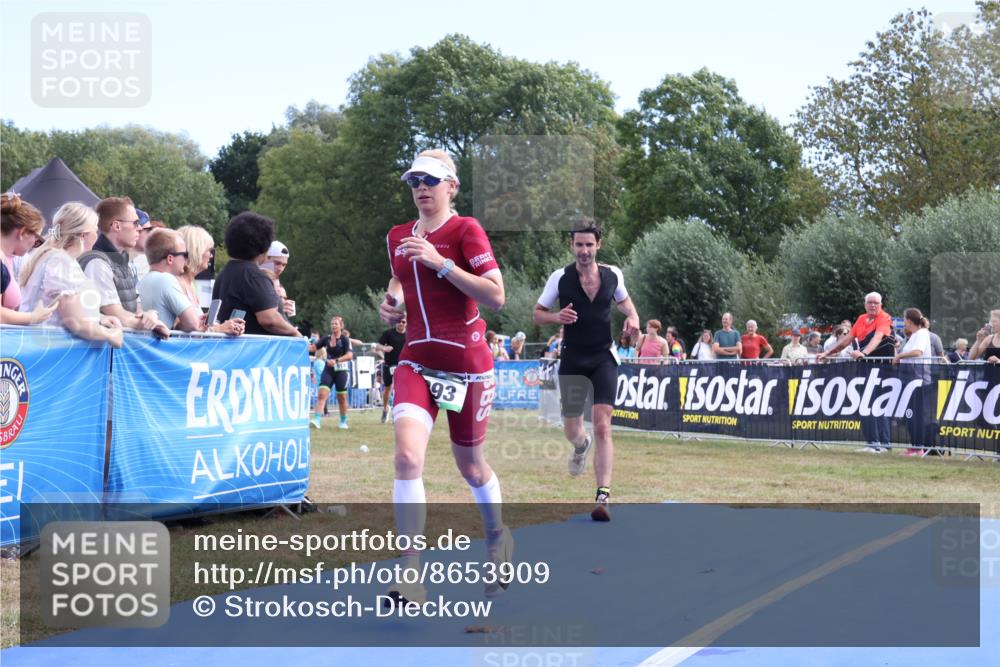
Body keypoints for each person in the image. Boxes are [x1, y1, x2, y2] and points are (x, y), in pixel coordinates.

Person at [378, 149, 511, 604]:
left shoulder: (465, 230)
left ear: (451, 186)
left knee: (471, 468)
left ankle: (497, 538)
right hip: (416, 358)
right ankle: (410, 571)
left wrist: (441, 262)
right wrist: (391, 301)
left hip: (467, 366)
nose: (421, 188)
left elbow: (496, 297)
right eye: (415, 180)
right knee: (406, 459)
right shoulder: (398, 235)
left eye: (431, 180)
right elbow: (399, 280)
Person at [534, 219, 640, 521]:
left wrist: (633, 319)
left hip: (604, 357)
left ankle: (602, 496)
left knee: (603, 424)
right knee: (572, 429)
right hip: (573, 359)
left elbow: (627, 306)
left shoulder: (613, 275)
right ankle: (581, 446)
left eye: (589, 245)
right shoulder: (559, 278)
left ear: (598, 246)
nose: (584, 250)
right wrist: (557, 317)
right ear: (572, 246)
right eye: (579, 245)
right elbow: (537, 314)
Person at [17, 202, 123, 347]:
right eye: (95, 230)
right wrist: (110, 334)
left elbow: (66, 312)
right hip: (48, 350)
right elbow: (75, 322)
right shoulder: (60, 261)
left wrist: (99, 318)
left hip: (43, 348)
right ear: (83, 235)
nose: (96, 236)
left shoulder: (54, 257)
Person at [79, 197, 169, 338]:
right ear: (116, 226)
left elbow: (134, 308)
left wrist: (148, 316)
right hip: (101, 352)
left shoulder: (120, 260)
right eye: (135, 223)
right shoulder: (97, 263)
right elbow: (113, 312)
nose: (139, 228)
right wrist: (149, 323)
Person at [818, 292, 897, 452]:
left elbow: (877, 337)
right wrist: (827, 353)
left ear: (881, 304)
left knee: (878, 404)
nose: (873, 305)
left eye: (876, 303)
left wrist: (864, 353)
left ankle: (883, 444)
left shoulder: (884, 318)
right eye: (870, 303)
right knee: (864, 403)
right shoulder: (861, 319)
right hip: (865, 367)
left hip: (881, 366)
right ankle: (872, 443)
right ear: (865, 304)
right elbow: (846, 341)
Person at [211, 212, 302, 338]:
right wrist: (295, 333)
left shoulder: (223, 274)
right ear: (263, 245)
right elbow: (269, 320)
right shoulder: (254, 276)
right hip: (258, 353)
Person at [138, 229, 243, 335]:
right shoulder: (168, 280)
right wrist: (219, 328)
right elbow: (192, 325)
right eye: (184, 254)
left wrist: (208, 324)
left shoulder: (148, 280)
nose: (211, 255)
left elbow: (185, 326)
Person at [893, 307, 934, 456]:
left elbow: (918, 352)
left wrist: (899, 356)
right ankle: (914, 446)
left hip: (918, 380)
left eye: (904, 319)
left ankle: (918, 447)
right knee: (910, 414)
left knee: (915, 414)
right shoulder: (914, 335)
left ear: (909, 321)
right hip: (909, 379)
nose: (903, 322)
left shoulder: (922, 334)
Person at [1, 192, 45, 312]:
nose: (35, 245)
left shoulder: (6, 259)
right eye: (37, 239)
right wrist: (34, 317)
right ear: (23, 233)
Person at [313, 316, 353, 430]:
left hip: (341, 371)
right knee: (322, 394)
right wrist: (304, 341)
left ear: (341, 326)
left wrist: (336, 361)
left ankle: (343, 421)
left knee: (342, 398)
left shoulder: (345, 339)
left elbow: (350, 355)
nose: (333, 325)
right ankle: (316, 420)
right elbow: (313, 348)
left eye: (336, 324)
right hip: (328, 370)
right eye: (332, 324)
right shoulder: (326, 338)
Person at [376, 317, 407, 424]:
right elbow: (377, 346)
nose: (401, 324)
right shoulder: (388, 333)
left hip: (403, 365)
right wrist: (384, 348)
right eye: (398, 321)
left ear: (406, 323)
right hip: (389, 364)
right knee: (388, 389)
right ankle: (385, 409)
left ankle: (397, 413)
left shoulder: (409, 335)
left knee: (400, 389)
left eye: (403, 322)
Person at [176, 225, 214, 308]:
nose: (211, 256)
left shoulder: (190, 283)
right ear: (197, 251)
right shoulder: (177, 285)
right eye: (209, 250)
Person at [262, 240, 295, 318]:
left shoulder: (277, 283)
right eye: (277, 263)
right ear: (265, 259)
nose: (280, 268)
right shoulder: (256, 280)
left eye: (284, 265)